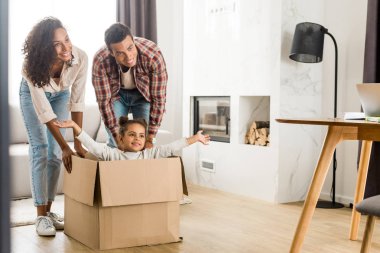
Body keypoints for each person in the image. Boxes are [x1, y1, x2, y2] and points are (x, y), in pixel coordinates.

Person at [19, 17, 88, 236]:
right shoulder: (30, 66)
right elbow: (44, 113)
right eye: (57, 44)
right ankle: (40, 216)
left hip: (61, 95)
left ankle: (48, 213)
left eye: (66, 39)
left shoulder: (80, 57)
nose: (66, 47)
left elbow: (77, 101)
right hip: (32, 97)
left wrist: (77, 143)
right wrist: (65, 145)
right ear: (44, 48)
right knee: (41, 149)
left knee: (56, 153)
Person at [92, 22, 168, 150]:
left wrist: (151, 138)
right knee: (116, 144)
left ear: (133, 40)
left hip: (143, 96)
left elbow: (158, 99)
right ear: (111, 52)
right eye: (120, 53)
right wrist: (117, 138)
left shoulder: (153, 55)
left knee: (143, 144)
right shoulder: (100, 61)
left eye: (130, 48)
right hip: (117, 96)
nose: (128, 57)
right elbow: (104, 102)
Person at [54, 117, 210, 161]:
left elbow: (171, 148)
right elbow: (93, 146)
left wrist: (195, 138)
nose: (137, 139)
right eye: (132, 134)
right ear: (121, 139)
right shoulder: (113, 155)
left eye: (141, 136)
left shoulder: (148, 155)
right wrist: (75, 126)